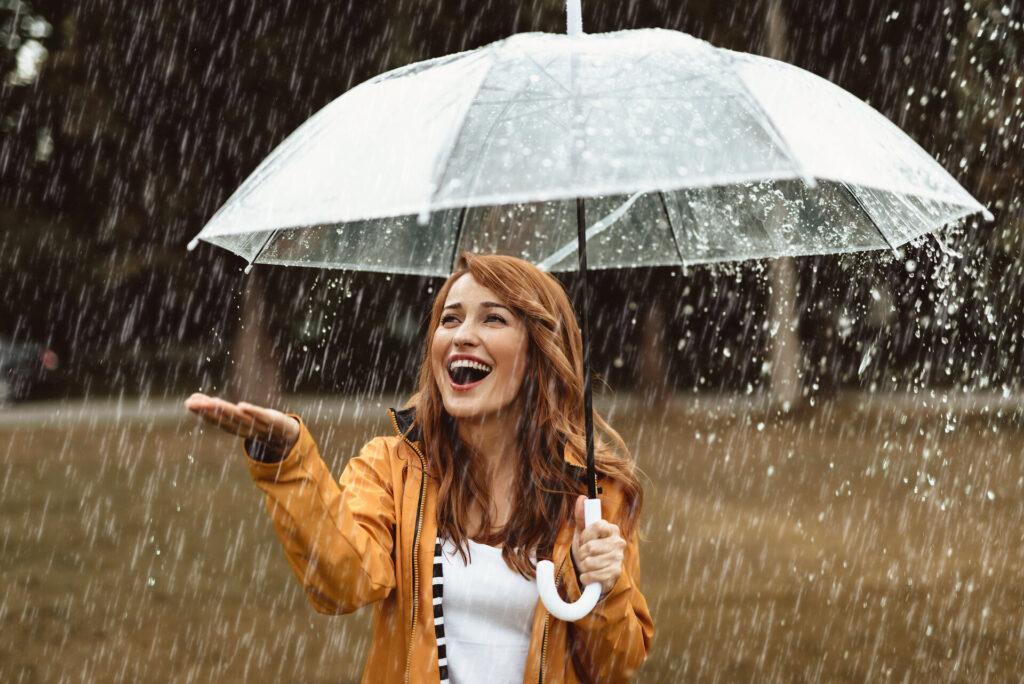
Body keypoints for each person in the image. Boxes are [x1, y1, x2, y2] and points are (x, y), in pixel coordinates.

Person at [184, 252, 653, 683]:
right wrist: (285, 459)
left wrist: (604, 588)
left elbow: (616, 666)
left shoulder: (593, 495)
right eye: (450, 319)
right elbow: (342, 583)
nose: (462, 335)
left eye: (493, 318)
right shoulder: (393, 467)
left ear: (538, 354)